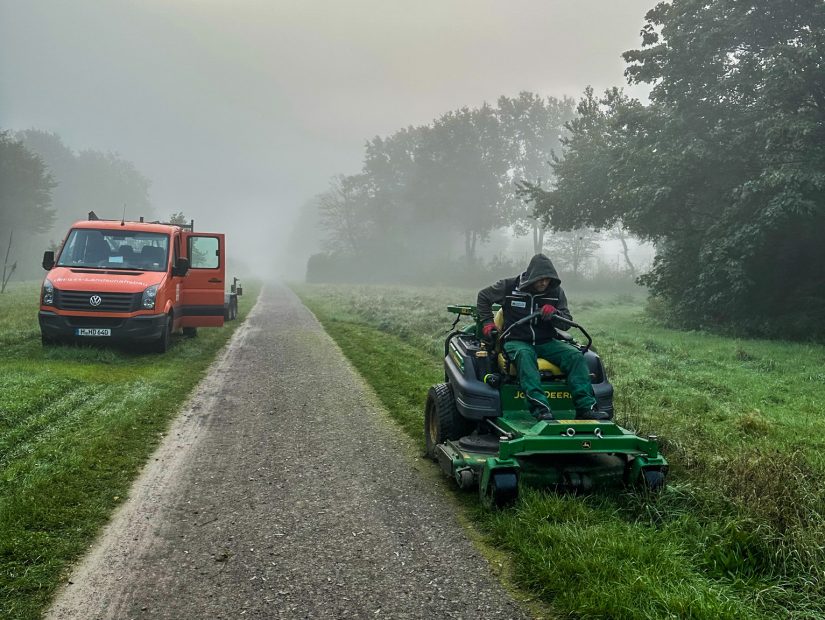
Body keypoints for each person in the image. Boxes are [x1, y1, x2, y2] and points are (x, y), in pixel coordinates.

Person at [476, 253, 608, 422]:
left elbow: (566, 323)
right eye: (540, 279)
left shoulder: (556, 292)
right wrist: (488, 322)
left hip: (546, 341)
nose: (544, 283)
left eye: (547, 280)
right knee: (525, 355)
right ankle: (541, 409)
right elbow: (483, 297)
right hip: (516, 340)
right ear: (531, 276)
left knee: (575, 355)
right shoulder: (508, 286)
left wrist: (555, 314)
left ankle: (585, 408)